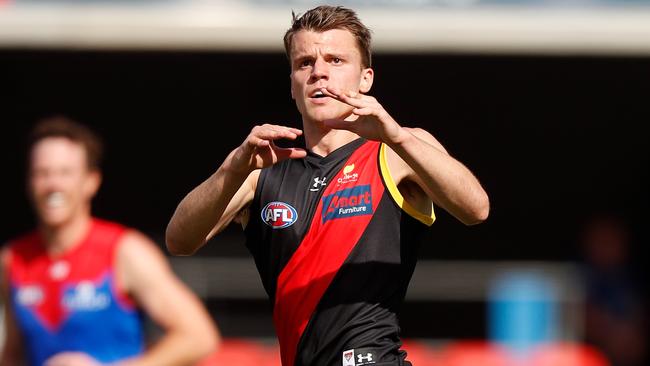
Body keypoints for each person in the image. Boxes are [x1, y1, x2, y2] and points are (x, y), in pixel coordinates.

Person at [166, 5, 489, 366]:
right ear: (292, 83)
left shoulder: (395, 150)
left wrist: (398, 137)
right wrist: (231, 167)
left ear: (365, 79)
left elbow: (475, 208)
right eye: (305, 63)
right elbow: (179, 241)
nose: (319, 72)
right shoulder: (261, 168)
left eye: (335, 60)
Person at [1, 116, 220, 366]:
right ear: (29, 182)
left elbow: (199, 336)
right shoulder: (13, 259)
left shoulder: (124, 251)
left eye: (65, 172)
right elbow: (13, 355)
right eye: (42, 173)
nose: (53, 184)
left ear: (91, 182)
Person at [578, 214, 647, 366]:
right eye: (601, 240)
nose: (606, 247)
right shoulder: (579, 278)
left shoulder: (628, 281)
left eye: (611, 241)